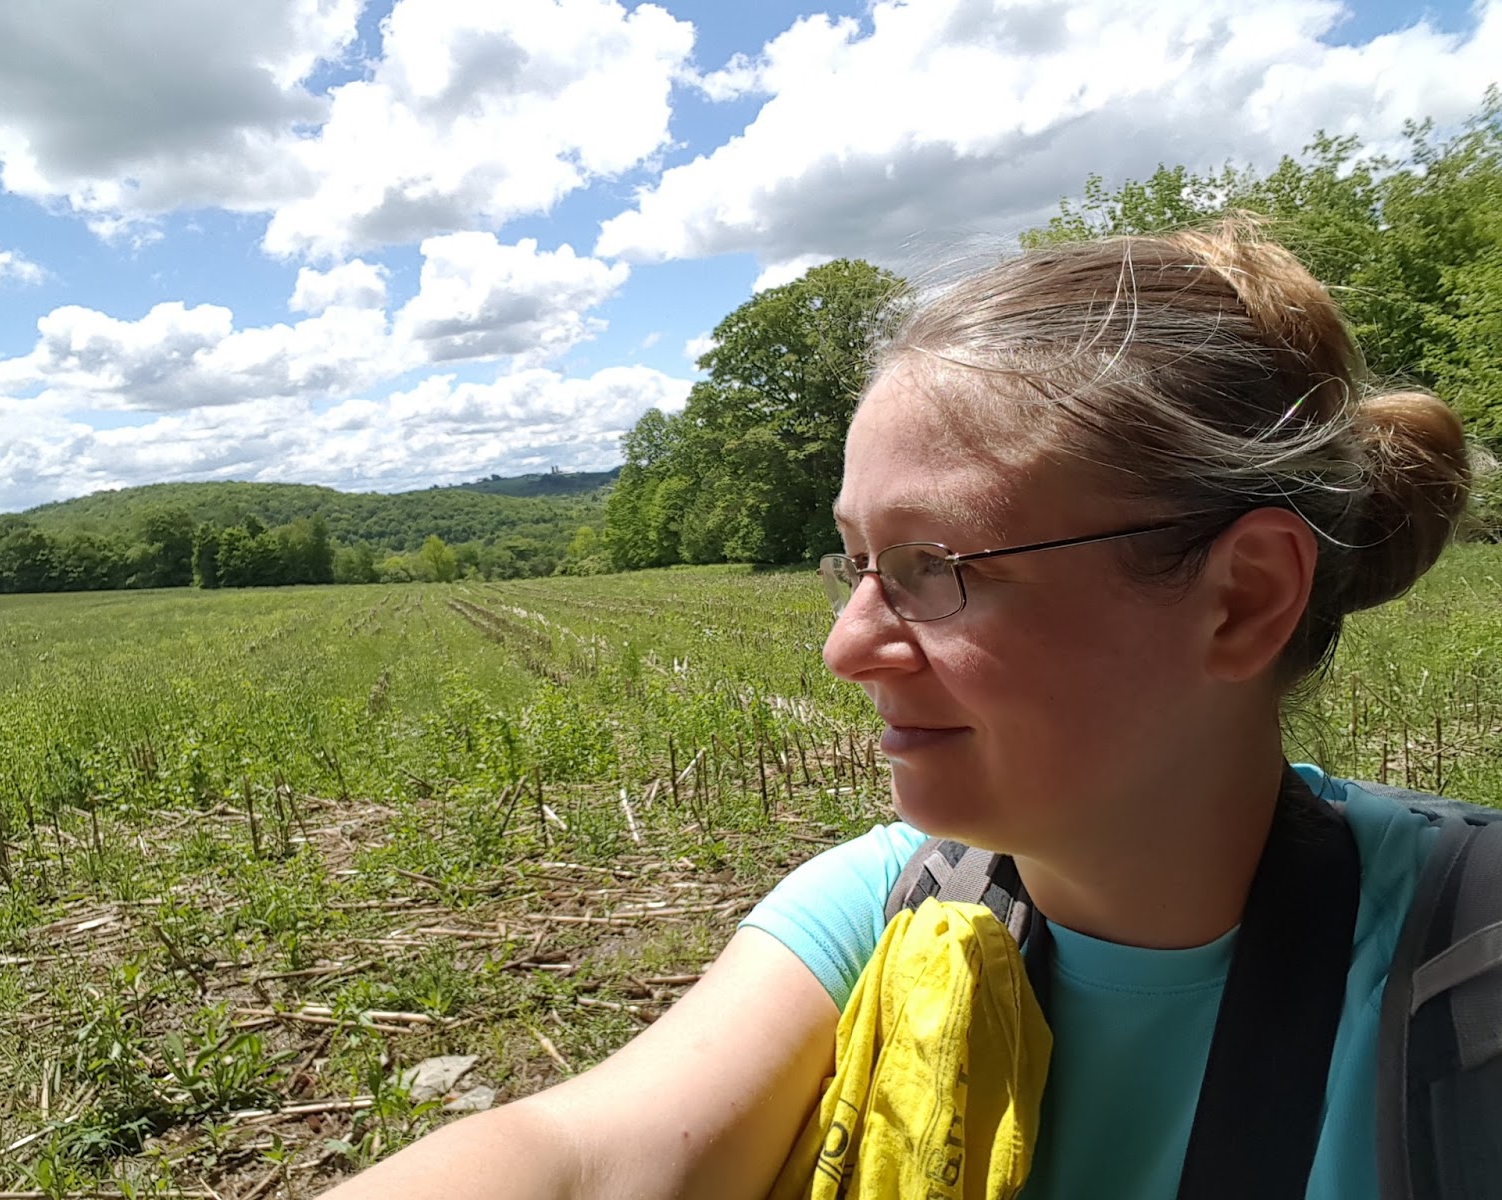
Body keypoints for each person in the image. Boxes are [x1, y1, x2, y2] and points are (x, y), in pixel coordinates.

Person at [320, 222, 1473, 1199]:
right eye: (856, 560)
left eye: (932, 564)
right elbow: (577, 1156)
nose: (842, 647)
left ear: (1242, 599)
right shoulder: (889, 906)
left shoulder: (1466, 971)